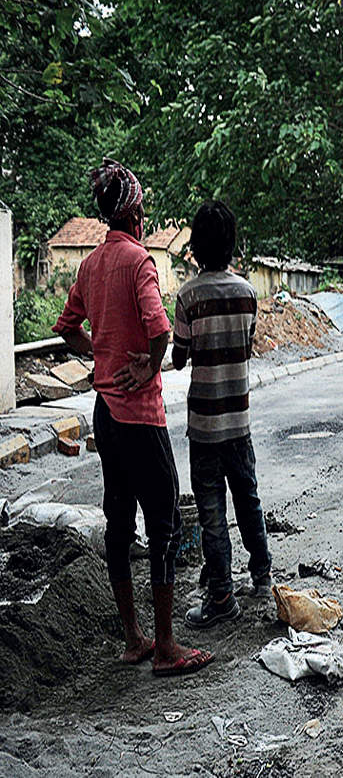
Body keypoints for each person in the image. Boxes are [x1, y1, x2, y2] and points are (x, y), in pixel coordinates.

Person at [54, 158, 213, 677]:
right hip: (141, 417)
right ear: (136, 210)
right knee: (163, 521)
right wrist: (146, 362)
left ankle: (134, 639)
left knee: (118, 523)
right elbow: (159, 327)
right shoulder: (139, 261)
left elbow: (66, 327)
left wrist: (99, 357)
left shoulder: (91, 266)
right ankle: (166, 645)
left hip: (105, 414)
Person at [172, 201, 271, 628]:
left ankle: (222, 597)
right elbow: (246, 349)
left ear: (194, 248)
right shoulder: (248, 294)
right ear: (232, 245)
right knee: (248, 498)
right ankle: (262, 575)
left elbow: (178, 358)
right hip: (240, 421)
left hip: (205, 427)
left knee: (212, 510)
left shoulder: (188, 297)